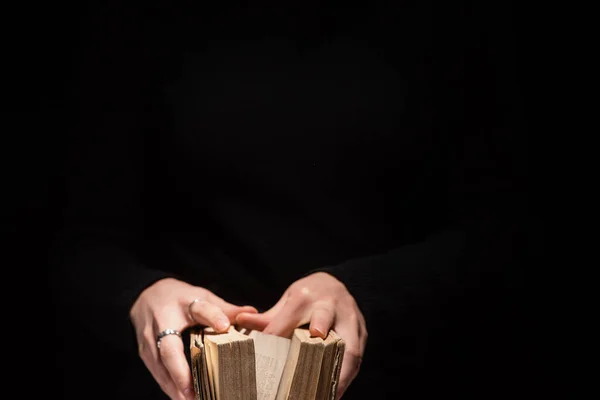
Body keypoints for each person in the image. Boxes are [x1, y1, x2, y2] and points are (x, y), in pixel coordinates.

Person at [52, 3, 524, 400]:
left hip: (399, 374)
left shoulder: (444, 29)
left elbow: (504, 229)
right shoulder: (141, 25)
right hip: (184, 383)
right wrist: (139, 295)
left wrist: (368, 290)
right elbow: (84, 240)